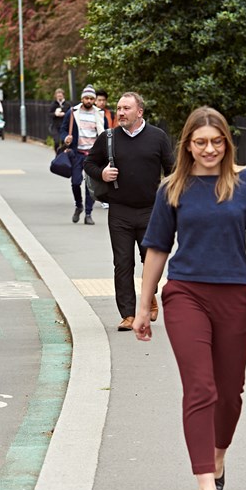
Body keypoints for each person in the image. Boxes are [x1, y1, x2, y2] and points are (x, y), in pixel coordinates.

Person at [133, 106, 246, 490]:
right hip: (186, 295)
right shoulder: (172, 188)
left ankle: (218, 456)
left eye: (217, 142)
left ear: (227, 144)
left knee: (229, 392)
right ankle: (204, 486)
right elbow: (157, 248)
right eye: (201, 142)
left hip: (235, 296)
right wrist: (145, 305)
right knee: (201, 388)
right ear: (188, 145)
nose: (210, 149)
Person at [84, 92, 175, 330]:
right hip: (120, 211)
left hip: (151, 211)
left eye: (126, 108)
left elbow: (172, 170)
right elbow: (89, 163)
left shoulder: (157, 137)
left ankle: (149, 296)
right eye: (119, 108)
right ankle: (128, 315)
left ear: (139, 112)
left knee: (151, 261)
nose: (121, 113)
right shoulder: (109, 138)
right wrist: (101, 173)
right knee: (122, 264)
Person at [59, 85, 105, 225]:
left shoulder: (99, 113)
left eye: (92, 98)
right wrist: (66, 137)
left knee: (90, 185)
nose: (89, 100)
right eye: (86, 98)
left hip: (93, 155)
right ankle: (79, 205)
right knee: (76, 182)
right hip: (77, 153)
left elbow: (106, 133)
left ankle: (88, 214)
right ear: (82, 98)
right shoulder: (73, 112)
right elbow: (63, 129)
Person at [50, 88, 71, 152]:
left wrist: (64, 114)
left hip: (64, 126)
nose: (59, 97)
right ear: (55, 96)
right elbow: (49, 114)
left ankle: (62, 155)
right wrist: (55, 114)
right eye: (58, 95)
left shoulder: (67, 104)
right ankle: (57, 154)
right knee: (56, 141)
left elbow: (70, 114)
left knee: (63, 141)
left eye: (60, 95)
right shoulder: (53, 104)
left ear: (63, 95)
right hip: (55, 126)